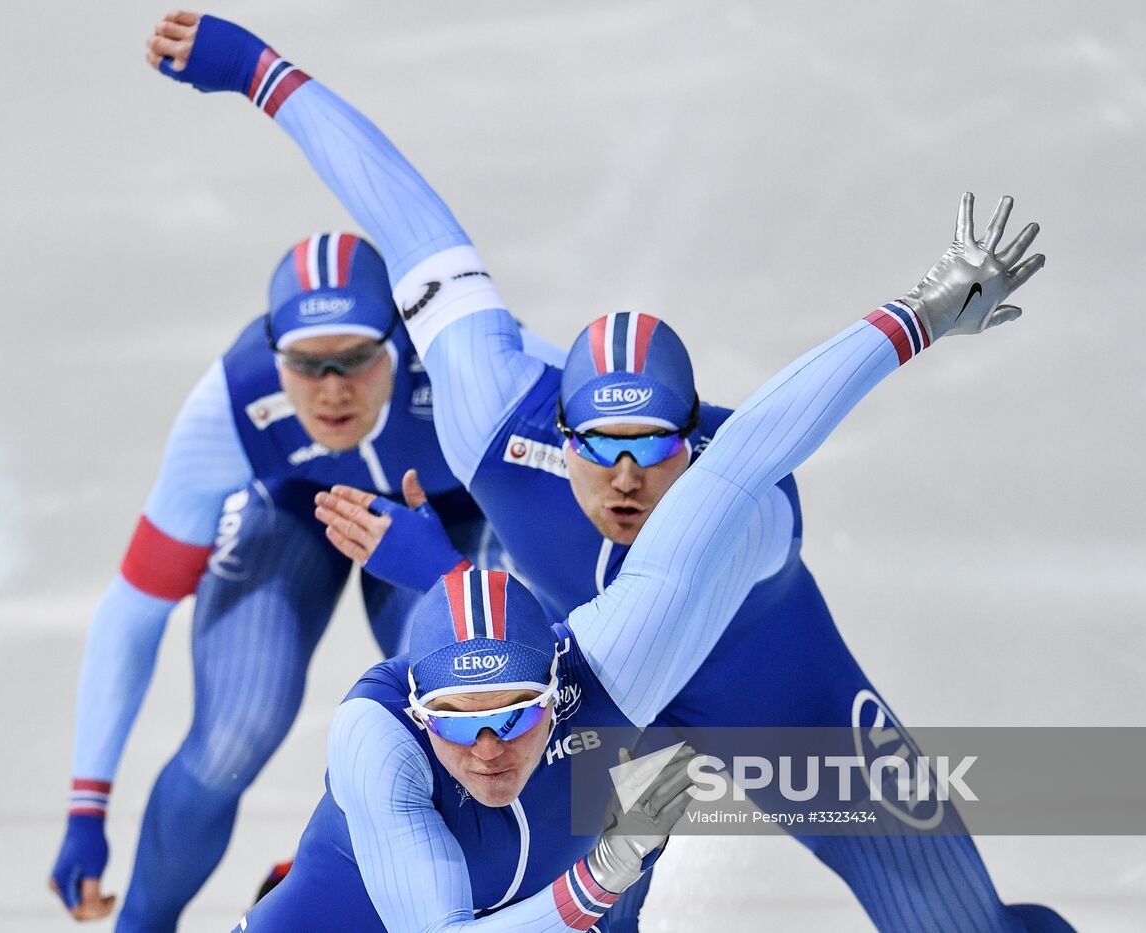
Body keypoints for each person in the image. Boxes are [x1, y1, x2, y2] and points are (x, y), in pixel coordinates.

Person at [145, 11, 1053, 932]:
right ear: (558, 434)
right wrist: (262, 74)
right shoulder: (496, 418)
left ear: (693, 442)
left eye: (654, 450)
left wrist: (923, 314)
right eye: (599, 450)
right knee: (551, 870)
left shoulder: (733, 516)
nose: (625, 481)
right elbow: (406, 218)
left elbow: (764, 440)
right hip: (577, 708)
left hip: (767, 687)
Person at [48, 233, 544, 930]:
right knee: (232, 732)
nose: (334, 388)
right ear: (273, 353)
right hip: (291, 508)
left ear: (400, 341)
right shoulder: (230, 401)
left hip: (443, 516)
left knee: (472, 705)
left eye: (358, 360)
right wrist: (86, 801)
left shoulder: (471, 362)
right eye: (308, 366)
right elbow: (136, 604)